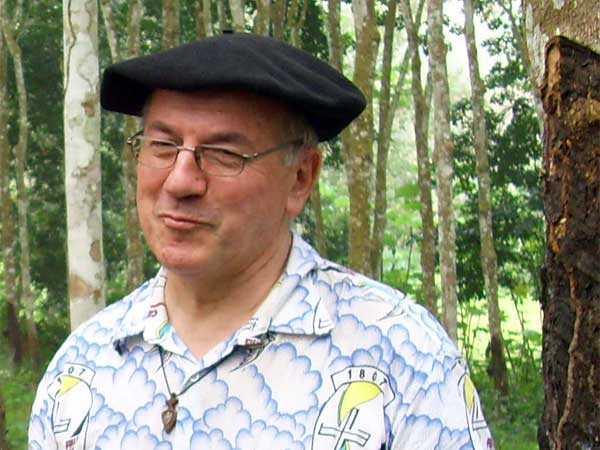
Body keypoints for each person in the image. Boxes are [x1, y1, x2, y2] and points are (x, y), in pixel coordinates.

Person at [29, 32, 494, 450]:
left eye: (223, 154)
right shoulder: (82, 369)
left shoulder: (400, 356)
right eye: (163, 146)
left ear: (300, 178)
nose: (180, 180)